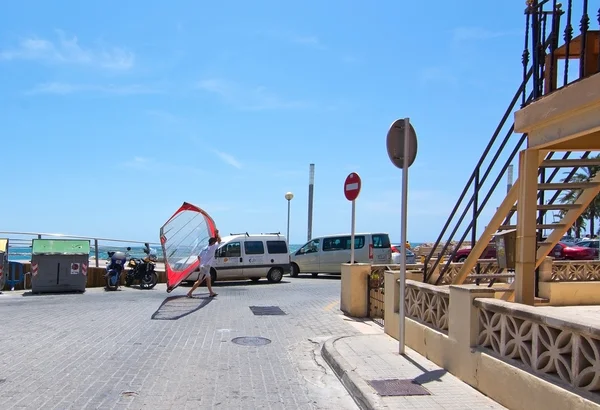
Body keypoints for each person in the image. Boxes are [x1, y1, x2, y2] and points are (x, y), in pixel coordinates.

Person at [187, 230, 222, 298]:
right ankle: (189, 293)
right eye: (214, 242)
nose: (215, 243)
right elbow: (220, 240)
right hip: (206, 267)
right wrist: (217, 233)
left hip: (203, 266)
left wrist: (201, 263)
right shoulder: (213, 247)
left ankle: (211, 292)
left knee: (208, 279)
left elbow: (198, 256)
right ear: (213, 242)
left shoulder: (204, 248)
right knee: (200, 281)